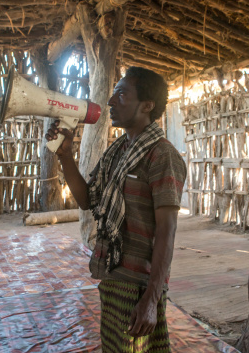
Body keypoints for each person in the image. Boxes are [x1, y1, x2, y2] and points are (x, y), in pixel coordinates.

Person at [45, 66, 187, 352]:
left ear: (147, 106)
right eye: (113, 94)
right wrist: (66, 156)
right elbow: (87, 200)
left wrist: (151, 298)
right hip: (112, 273)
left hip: (139, 286)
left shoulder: (163, 156)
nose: (110, 102)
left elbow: (166, 232)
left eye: (121, 95)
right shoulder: (118, 151)